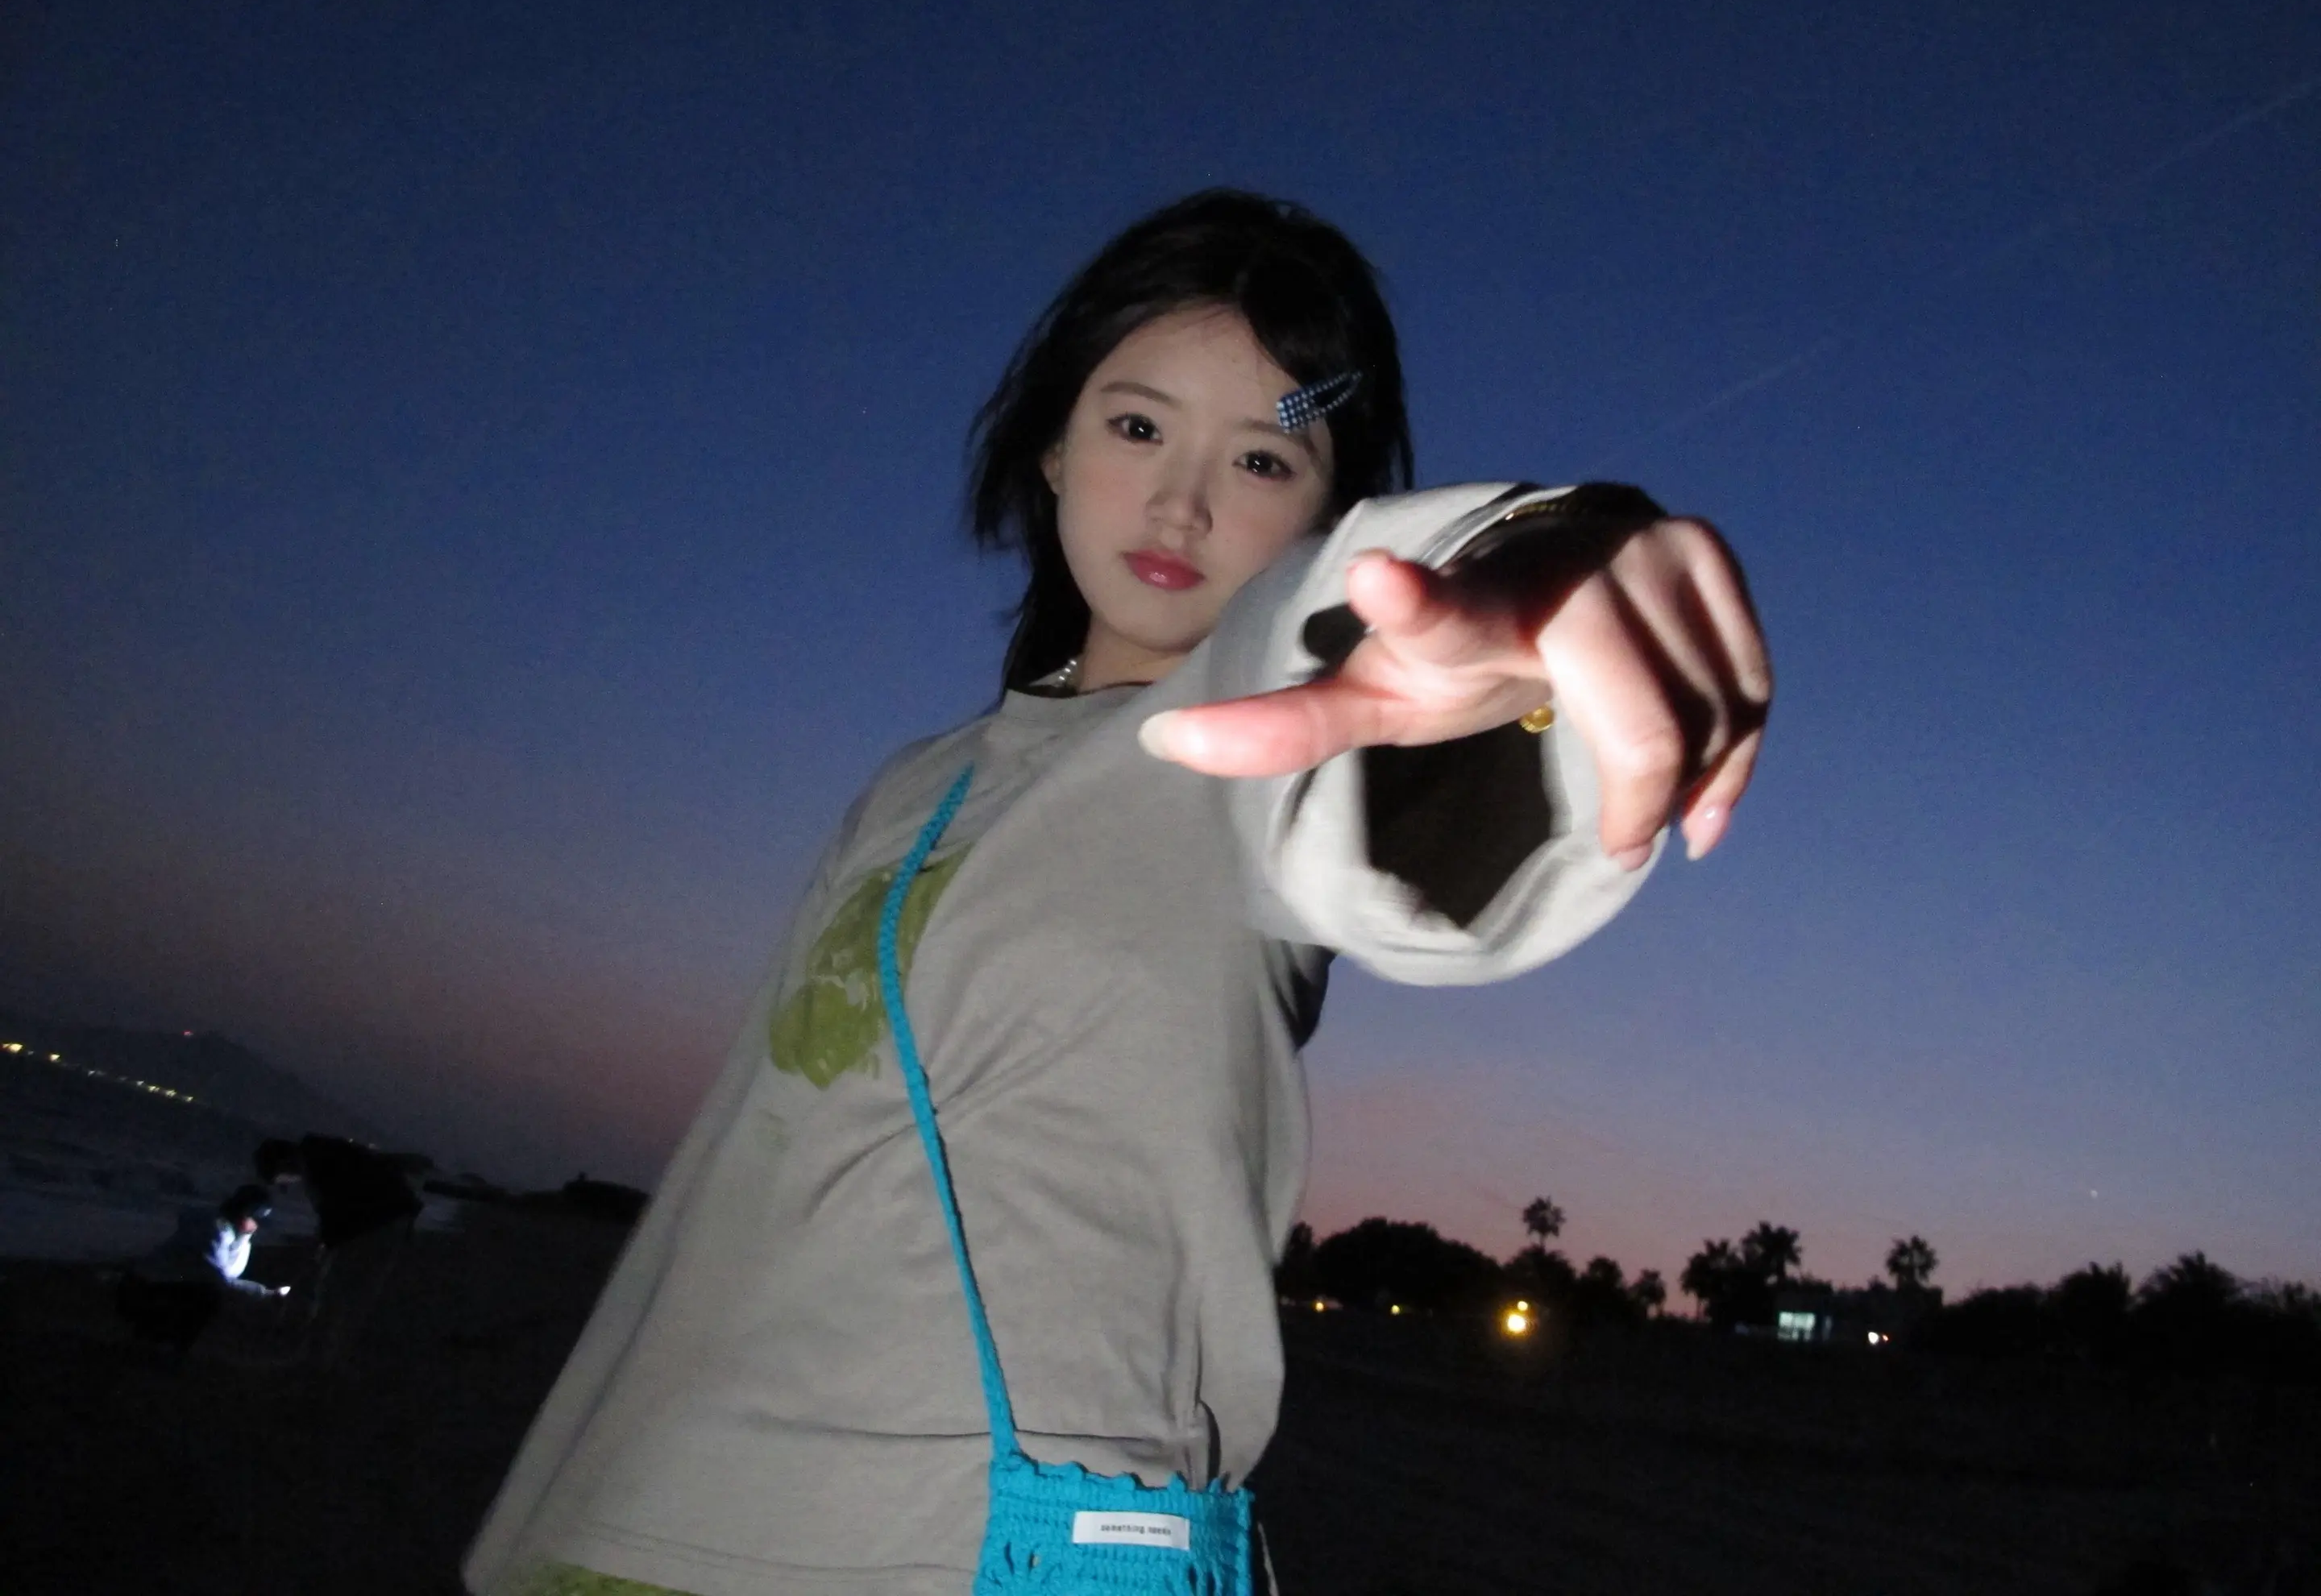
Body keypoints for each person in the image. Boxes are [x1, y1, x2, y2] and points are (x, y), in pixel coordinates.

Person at [464, 190, 1771, 1596]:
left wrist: (1554, 567)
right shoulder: (913, 788)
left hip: (991, 1545)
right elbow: (734, 1177)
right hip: (655, 1514)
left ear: (1327, 521)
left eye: (1264, 459)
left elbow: (1432, 682)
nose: (1181, 504)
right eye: (1138, 427)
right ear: (1052, 444)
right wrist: (541, 1518)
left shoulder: (1262, 750)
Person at [253, 1132, 423, 1367]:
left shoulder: (315, 1160)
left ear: (282, 1162)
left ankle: (323, 1359)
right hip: (389, 1217)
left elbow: (335, 1208)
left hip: (380, 1222)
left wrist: (324, 1247)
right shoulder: (321, 1151)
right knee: (346, 1289)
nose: (289, 1184)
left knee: (340, 1291)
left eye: (282, 1180)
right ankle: (328, 1355)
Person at [118, 1184, 290, 1355]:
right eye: (256, 1217)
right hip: (143, 1289)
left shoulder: (229, 1233)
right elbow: (219, 1280)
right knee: (207, 1297)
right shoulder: (211, 1229)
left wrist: (244, 1237)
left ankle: (159, 1344)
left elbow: (230, 1272)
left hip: (159, 1286)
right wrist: (266, 1294)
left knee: (206, 1294)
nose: (257, 1224)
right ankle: (157, 1346)